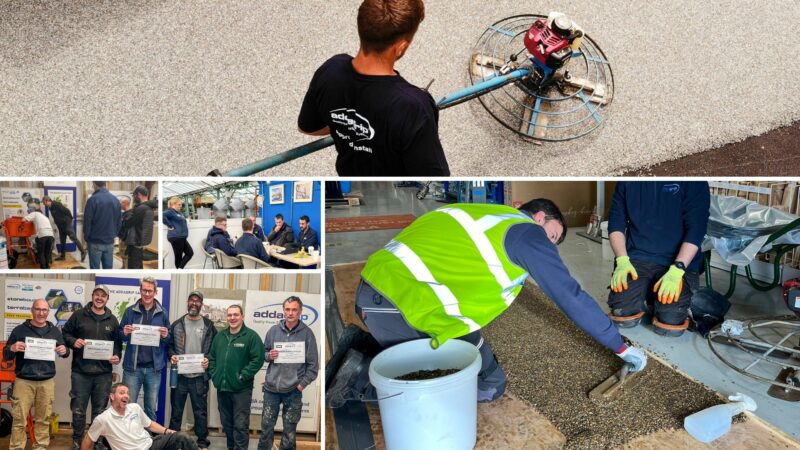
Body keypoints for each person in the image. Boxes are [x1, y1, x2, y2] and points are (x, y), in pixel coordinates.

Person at [338, 199, 647, 403]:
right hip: (401, 306)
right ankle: (360, 378)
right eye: (552, 236)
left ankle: (366, 345)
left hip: (383, 292)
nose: (549, 245)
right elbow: (570, 296)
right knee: (455, 389)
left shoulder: (483, 213)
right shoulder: (526, 234)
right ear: (539, 217)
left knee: (490, 379)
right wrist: (619, 345)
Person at [298, 0, 449, 176]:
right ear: (400, 47)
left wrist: (346, 125)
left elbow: (307, 127)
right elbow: (434, 178)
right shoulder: (414, 107)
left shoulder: (330, 71)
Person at [607, 181, 711, 337]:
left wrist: (678, 269)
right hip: (637, 258)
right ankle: (648, 293)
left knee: (670, 324)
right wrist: (622, 260)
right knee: (622, 314)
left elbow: (697, 228)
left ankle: (662, 299)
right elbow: (616, 222)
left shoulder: (694, 181)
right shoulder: (627, 181)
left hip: (677, 262)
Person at [2, 299, 69, 450]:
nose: (41, 313)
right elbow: (6, 355)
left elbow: (64, 351)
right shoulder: (19, 330)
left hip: (47, 381)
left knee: (43, 419)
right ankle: (17, 447)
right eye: (38, 309)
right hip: (23, 381)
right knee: (19, 420)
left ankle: (40, 447)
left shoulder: (54, 331)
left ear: (48, 312)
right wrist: (12, 348)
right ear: (32, 311)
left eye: (44, 310)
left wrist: (65, 351)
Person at [62, 285, 123, 450]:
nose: (99, 298)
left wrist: (117, 356)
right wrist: (73, 342)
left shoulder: (112, 320)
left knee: (100, 411)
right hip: (80, 373)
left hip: (103, 374)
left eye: (103, 296)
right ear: (92, 296)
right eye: (97, 294)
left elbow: (117, 344)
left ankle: (97, 442)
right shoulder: (79, 315)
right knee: (78, 410)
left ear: (107, 299)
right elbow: (65, 333)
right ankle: (77, 441)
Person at [258, 297, 319, 450]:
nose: (290, 313)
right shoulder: (273, 331)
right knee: (266, 429)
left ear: (300, 312)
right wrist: (268, 356)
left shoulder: (307, 334)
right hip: (271, 390)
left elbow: (313, 366)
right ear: (283, 310)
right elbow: (263, 353)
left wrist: (300, 385)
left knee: (289, 433)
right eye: (287, 309)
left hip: (293, 391)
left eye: (294, 310)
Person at [208, 305, 264, 450]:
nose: (232, 318)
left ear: (242, 316)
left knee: (240, 425)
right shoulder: (220, 337)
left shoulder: (251, 336)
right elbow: (212, 358)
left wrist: (243, 376)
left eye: (236, 315)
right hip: (223, 388)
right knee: (227, 424)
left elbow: (258, 359)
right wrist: (215, 375)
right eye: (230, 315)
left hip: (241, 390)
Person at [167, 291, 217, 450]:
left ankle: (202, 442)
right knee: (176, 411)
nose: (194, 303)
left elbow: (214, 349)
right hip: (180, 377)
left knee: (200, 412)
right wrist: (172, 356)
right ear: (187, 302)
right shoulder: (177, 324)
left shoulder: (209, 326)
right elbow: (168, 346)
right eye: (191, 300)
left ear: (201, 304)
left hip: (199, 377)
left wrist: (208, 358)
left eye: (197, 301)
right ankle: (173, 442)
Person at [81, 383, 198, 450]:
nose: (126, 396)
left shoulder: (135, 407)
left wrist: (168, 431)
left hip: (151, 445)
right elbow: (88, 439)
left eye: (127, 393)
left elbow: (151, 425)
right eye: (122, 393)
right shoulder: (103, 419)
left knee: (182, 437)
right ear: (112, 396)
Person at [118, 277, 171, 421]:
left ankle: (150, 441)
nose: (147, 294)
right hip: (132, 369)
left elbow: (168, 338)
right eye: (144, 290)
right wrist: (125, 333)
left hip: (154, 370)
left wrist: (166, 335)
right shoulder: (130, 311)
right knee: (128, 406)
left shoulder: (163, 313)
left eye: (150, 291)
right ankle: (128, 439)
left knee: (150, 408)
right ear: (140, 291)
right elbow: (120, 334)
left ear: (155, 292)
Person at [83, 181, 122, 269]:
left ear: (94, 185)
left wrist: (86, 237)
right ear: (105, 184)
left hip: (95, 241)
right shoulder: (115, 200)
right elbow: (119, 221)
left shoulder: (92, 200)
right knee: (108, 268)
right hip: (109, 241)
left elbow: (87, 221)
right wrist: (114, 234)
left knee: (94, 268)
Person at [120, 186, 157, 270]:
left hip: (136, 242)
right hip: (140, 242)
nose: (134, 198)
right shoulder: (149, 207)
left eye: (134, 195)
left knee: (133, 267)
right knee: (139, 265)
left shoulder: (141, 208)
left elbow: (128, 223)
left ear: (139, 195)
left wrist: (127, 212)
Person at [43, 195, 87, 262]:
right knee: (62, 241)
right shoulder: (50, 207)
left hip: (66, 225)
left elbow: (67, 211)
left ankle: (83, 251)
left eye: (44, 202)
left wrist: (70, 220)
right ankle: (62, 256)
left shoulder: (56, 204)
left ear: (48, 201)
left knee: (74, 238)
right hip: (61, 227)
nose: (44, 204)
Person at [164, 197, 194, 269]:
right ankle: (179, 269)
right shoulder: (170, 211)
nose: (181, 206)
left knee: (190, 253)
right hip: (176, 237)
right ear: (173, 204)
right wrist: (170, 225)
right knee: (178, 257)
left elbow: (184, 216)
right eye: (179, 204)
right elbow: (162, 216)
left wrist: (187, 217)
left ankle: (180, 269)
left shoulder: (179, 212)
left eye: (181, 204)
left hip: (181, 237)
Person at [23, 203, 55, 269]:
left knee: (41, 253)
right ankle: (47, 267)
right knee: (47, 252)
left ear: (31, 210)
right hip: (51, 235)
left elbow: (23, 219)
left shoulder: (34, 213)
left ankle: (43, 268)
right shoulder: (45, 216)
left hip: (43, 235)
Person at [118, 196, 132, 268]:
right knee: (122, 254)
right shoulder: (124, 213)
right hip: (122, 238)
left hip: (125, 240)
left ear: (124, 203)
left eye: (120, 203)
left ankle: (126, 268)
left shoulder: (130, 214)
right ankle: (123, 266)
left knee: (125, 255)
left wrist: (123, 239)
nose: (119, 204)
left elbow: (128, 229)